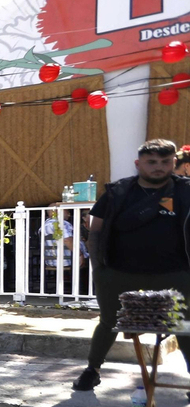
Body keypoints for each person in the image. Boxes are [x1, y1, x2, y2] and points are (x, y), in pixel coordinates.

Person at [73, 138, 190, 390]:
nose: (158, 167)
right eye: (151, 162)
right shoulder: (118, 192)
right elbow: (95, 232)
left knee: (186, 324)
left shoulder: (186, 190)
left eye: (165, 161)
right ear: (139, 163)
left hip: (176, 272)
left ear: (173, 162)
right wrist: (99, 269)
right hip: (118, 272)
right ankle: (92, 369)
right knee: (109, 321)